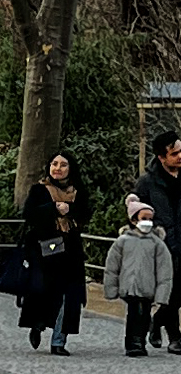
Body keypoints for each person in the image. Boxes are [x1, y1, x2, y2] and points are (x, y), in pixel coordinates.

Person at [18, 150, 88, 354]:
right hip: (45, 247)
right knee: (44, 292)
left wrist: (70, 210)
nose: (58, 168)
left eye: (63, 164)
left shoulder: (78, 190)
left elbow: (85, 213)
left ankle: (59, 341)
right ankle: (37, 324)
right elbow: (29, 214)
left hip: (70, 249)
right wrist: (52, 208)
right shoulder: (40, 190)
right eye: (54, 164)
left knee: (70, 295)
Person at [128, 130, 181, 352]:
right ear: (162, 157)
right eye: (174, 153)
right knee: (170, 290)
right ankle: (175, 337)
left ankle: (157, 321)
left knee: (177, 292)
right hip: (161, 245)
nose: (180, 156)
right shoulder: (147, 183)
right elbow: (135, 214)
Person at [105, 202, 174, 357]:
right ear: (133, 220)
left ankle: (140, 341)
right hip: (129, 286)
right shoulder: (122, 241)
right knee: (134, 314)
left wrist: (162, 295)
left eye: (150, 218)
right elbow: (112, 267)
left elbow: (164, 271)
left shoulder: (157, 244)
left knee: (144, 315)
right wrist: (111, 289)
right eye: (144, 218)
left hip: (148, 288)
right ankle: (132, 343)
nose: (148, 222)